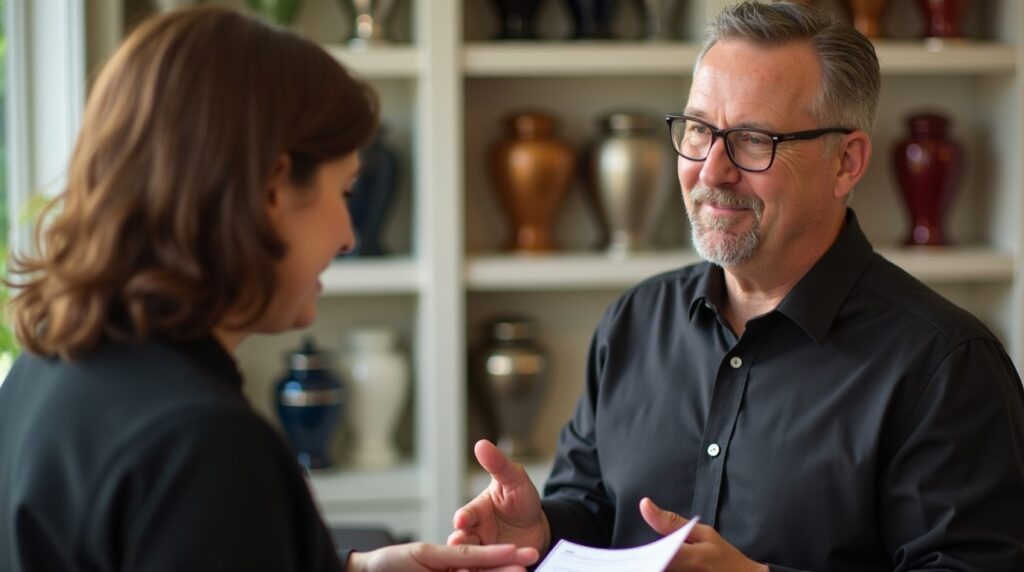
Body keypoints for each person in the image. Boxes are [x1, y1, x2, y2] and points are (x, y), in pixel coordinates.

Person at [450, 2, 1024, 571]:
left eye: (753, 139)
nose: (711, 170)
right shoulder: (634, 321)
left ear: (846, 162)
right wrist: (544, 529)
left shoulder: (946, 364)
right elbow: (598, 509)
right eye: (700, 130)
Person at [0, 7, 538, 572]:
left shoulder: (45, 367)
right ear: (274, 190)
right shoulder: (202, 443)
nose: (349, 236)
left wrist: (355, 569)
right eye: (344, 192)